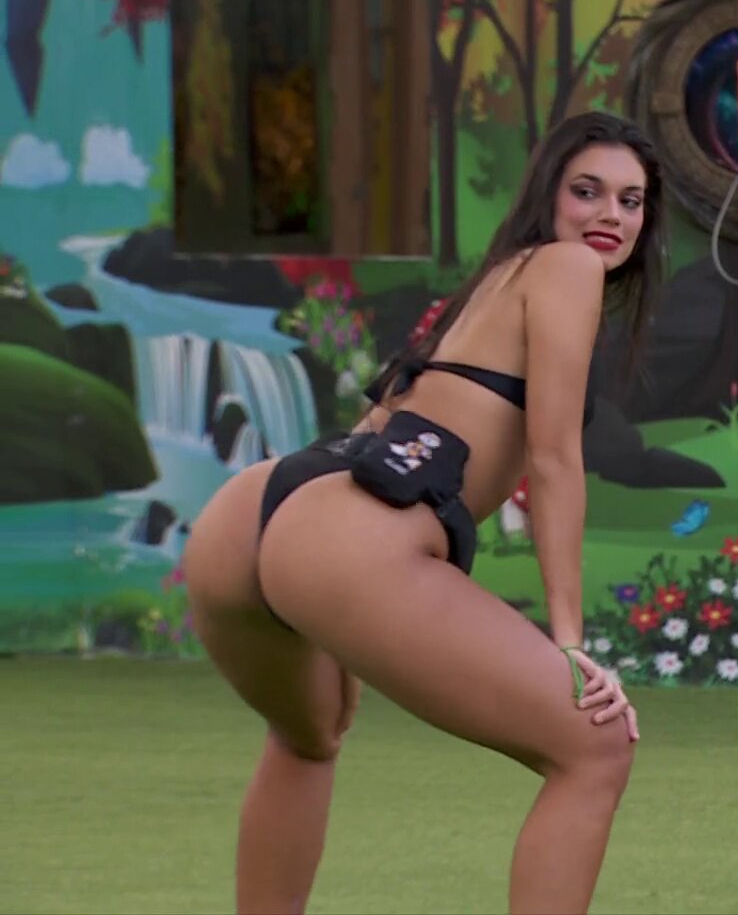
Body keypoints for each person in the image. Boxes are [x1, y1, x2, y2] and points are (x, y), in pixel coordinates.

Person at [183, 110, 667, 914]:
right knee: (597, 745)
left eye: (631, 200)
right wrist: (570, 643)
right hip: (344, 534)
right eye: (587, 192)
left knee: (310, 737)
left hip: (255, 514)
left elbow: (392, 431)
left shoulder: (494, 281)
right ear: (549, 195)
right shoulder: (567, 268)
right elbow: (553, 457)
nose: (609, 216)